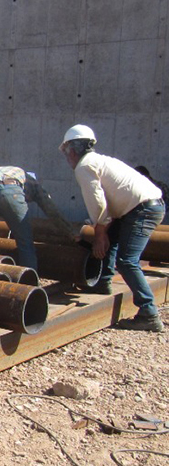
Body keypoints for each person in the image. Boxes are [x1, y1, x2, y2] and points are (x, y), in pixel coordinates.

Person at [60, 124, 166, 332]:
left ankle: (149, 313)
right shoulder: (100, 161)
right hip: (139, 208)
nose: (67, 157)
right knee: (112, 238)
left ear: (71, 150)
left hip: (141, 210)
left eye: (65, 152)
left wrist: (99, 234)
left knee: (127, 261)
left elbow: (98, 203)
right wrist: (103, 231)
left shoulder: (84, 166)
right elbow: (108, 206)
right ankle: (103, 282)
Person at [0, 166, 78, 269]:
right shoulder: (33, 183)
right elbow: (51, 210)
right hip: (10, 191)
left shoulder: (4, 172)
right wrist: (71, 232)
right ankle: (28, 279)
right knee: (25, 244)